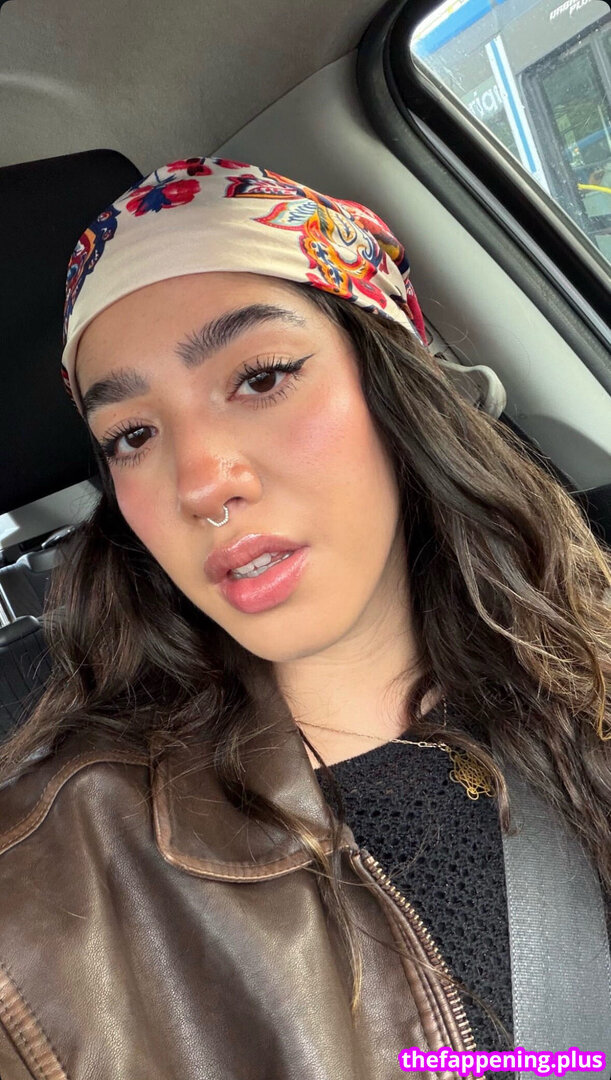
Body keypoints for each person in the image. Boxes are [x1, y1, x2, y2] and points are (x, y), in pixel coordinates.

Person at [0, 155, 609, 1079]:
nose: (201, 483)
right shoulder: (44, 906)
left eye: (260, 378)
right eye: (132, 435)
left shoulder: (588, 669)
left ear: (394, 380)